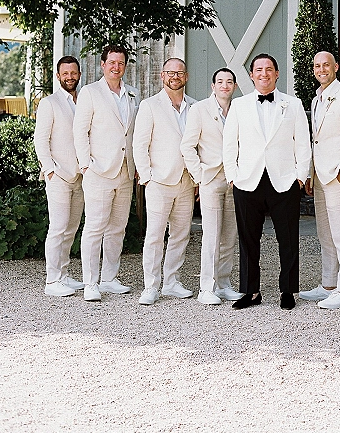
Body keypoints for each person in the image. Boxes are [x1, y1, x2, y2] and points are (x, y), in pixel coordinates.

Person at [222, 53, 311, 310]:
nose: (264, 74)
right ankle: (251, 292)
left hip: (284, 181)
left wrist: (299, 177)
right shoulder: (239, 106)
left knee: (288, 238)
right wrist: (232, 178)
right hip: (247, 181)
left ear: (277, 73)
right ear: (251, 75)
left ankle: (288, 291)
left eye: (269, 69)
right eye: (258, 70)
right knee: (248, 238)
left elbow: (303, 144)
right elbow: (230, 144)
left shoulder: (292, 105)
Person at [73, 44, 139, 301]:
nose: (116, 67)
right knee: (94, 227)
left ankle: (109, 278)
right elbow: (80, 131)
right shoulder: (90, 92)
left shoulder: (133, 93)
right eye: (111, 62)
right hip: (98, 170)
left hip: (125, 170)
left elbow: (132, 133)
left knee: (118, 227)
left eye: (120, 63)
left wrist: (135, 166)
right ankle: (91, 282)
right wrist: (86, 165)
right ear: (103, 64)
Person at [300, 51, 340, 309]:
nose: (321, 69)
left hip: (337, 176)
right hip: (320, 175)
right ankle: (328, 284)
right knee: (325, 233)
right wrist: (310, 173)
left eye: (326, 64)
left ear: (336, 67)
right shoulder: (317, 98)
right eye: (317, 65)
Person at [133, 58, 197, 306]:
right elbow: (140, 145)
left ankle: (171, 282)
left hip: (185, 180)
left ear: (186, 76)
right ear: (162, 75)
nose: (175, 76)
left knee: (181, 234)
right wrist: (147, 177)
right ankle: (151, 286)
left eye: (180, 72)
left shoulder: (194, 107)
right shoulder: (150, 106)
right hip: (158, 180)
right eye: (171, 72)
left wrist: (197, 178)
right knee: (155, 235)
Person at [181, 68, 243, 305]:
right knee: (211, 234)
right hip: (210, 178)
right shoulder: (199, 110)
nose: (224, 85)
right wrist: (199, 177)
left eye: (229, 82)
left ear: (235, 86)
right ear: (212, 86)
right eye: (220, 81)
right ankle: (206, 287)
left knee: (229, 234)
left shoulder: (240, 109)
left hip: (235, 180)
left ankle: (224, 283)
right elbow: (188, 146)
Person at [34, 56, 84, 297]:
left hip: (80, 177)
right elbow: (40, 140)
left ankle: (63, 274)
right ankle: (52, 280)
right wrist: (50, 169)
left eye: (73, 73)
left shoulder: (84, 100)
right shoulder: (49, 103)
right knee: (58, 227)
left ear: (79, 74)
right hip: (59, 177)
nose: (70, 77)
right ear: (58, 76)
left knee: (71, 228)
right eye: (65, 73)